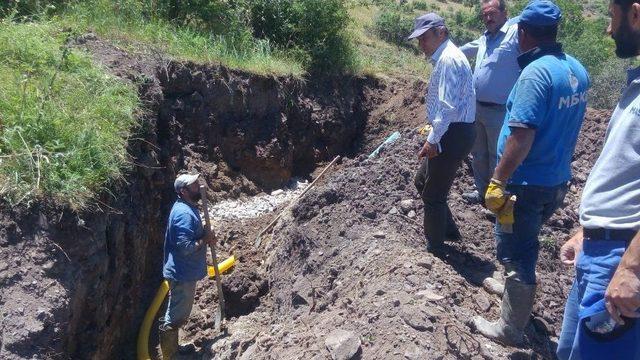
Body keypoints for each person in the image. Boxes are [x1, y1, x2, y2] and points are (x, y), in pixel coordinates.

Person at [471, 0, 590, 345]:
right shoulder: (576, 70)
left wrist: (498, 180)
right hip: (555, 179)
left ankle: (508, 329)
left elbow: (521, 136)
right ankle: (511, 287)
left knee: (516, 250)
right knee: (527, 239)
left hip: (526, 182)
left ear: (522, 33)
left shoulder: (535, 74)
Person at [557, 0, 640, 358]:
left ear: (636, 14)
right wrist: (589, 229)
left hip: (621, 260)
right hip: (600, 251)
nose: (609, 28)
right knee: (567, 353)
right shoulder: (635, 86)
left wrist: (632, 268)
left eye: (612, 16)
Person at [408, 13, 476, 254]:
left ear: (441, 33)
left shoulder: (448, 59)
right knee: (421, 181)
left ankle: (435, 249)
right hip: (452, 130)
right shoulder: (447, 56)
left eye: (424, 38)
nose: (421, 44)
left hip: (452, 133)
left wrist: (432, 140)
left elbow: (447, 108)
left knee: (433, 195)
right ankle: (446, 232)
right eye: (419, 40)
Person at [459, 0, 521, 204]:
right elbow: (465, 50)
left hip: (500, 110)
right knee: (478, 153)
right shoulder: (484, 38)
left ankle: (497, 198)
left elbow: (527, 15)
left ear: (505, 13)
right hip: (477, 107)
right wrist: (444, 54)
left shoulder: (514, 34)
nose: (488, 18)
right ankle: (481, 192)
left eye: (492, 13)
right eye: (484, 14)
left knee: (497, 155)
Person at [159, 173, 214, 359]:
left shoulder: (186, 206)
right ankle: (171, 356)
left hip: (183, 271)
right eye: (194, 185)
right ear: (183, 191)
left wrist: (203, 235)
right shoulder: (183, 213)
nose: (198, 186)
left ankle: (173, 350)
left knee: (175, 309)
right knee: (176, 315)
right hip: (182, 273)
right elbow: (185, 247)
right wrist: (205, 239)